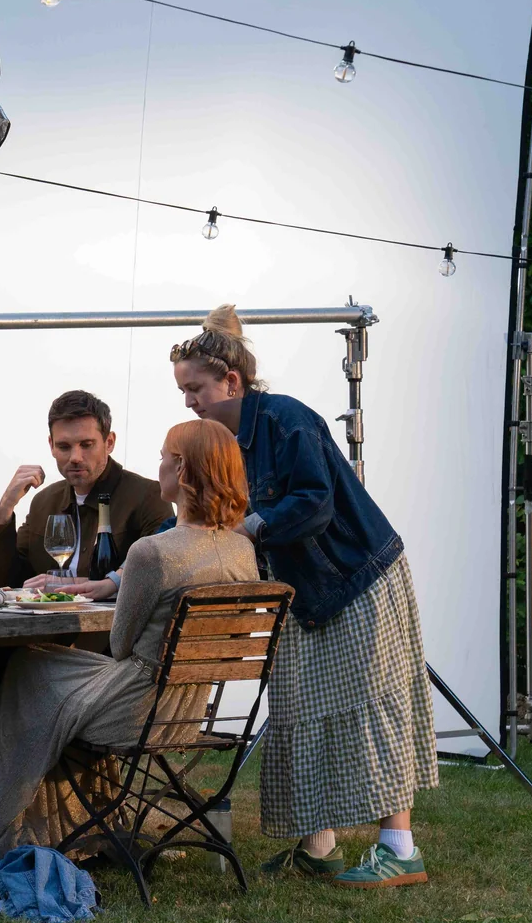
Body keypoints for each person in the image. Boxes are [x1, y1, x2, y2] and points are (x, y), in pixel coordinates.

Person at [171, 304, 437, 889]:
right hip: (305, 593)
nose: (189, 402)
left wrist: (253, 528)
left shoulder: (286, 420)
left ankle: (401, 851)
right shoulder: (226, 440)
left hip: (357, 578)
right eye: (184, 391)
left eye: (196, 389)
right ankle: (319, 847)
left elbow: (314, 503)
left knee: (371, 706)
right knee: (300, 710)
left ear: (231, 382)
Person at [0, 419, 257, 869]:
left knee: (27, 670)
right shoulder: (242, 551)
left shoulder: (152, 552)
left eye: (163, 457)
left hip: (135, 712)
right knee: (37, 670)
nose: (157, 466)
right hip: (190, 712)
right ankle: (61, 824)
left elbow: (120, 646)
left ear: (182, 471)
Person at [0, 389, 174, 595]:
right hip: (44, 624)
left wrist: (67, 584)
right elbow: (5, 582)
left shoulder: (147, 496)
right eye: (64, 446)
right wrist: (5, 508)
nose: (75, 457)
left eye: (86, 445)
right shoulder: (44, 501)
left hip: (108, 626)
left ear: (109, 442)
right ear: (51, 445)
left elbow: (160, 574)